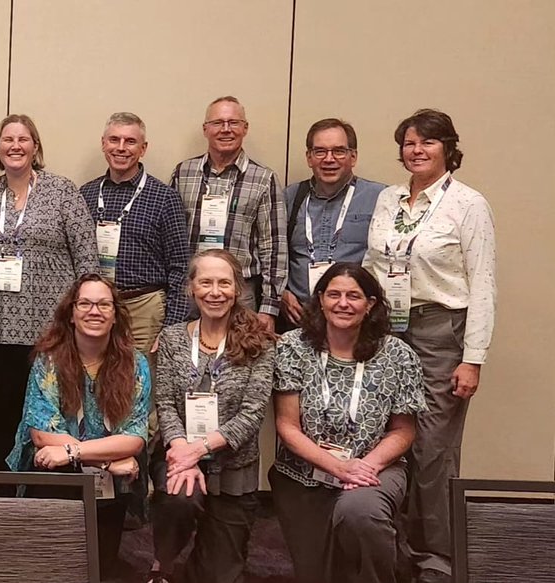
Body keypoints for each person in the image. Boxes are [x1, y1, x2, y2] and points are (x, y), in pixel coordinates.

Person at [363, 109, 496, 583]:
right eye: (409, 143)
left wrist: (472, 359)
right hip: (386, 331)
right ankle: (392, 548)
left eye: (428, 142)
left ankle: (437, 558)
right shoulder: (389, 199)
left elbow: (482, 285)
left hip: (442, 333)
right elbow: (373, 264)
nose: (416, 151)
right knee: (386, 438)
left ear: (448, 148)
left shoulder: (467, 203)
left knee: (433, 450)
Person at [271, 262, 426, 583]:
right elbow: (287, 427)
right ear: (321, 300)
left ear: (370, 305)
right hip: (303, 473)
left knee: (360, 513)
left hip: (375, 470)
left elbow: (403, 430)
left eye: (354, 296)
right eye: (334, 295)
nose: (343, 303)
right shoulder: (292, 347)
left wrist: (363, 467)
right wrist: (339, 467)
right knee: (316, 573)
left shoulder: (398, 355)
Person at [0, 114, 97, 477]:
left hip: (49, 330)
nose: (15, 146)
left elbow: (87, 259)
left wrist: (84, 316)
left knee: (49, 412)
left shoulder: (62, 191)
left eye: (23, 139)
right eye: (7, 140)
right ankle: (3, 490)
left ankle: (45, 489)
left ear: (36, 147)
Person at [147, 249, 276, 583]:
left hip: (234, 467)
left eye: (224, 283)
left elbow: (251, 415)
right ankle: (164, 562)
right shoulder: (174, 338)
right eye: (205, 282)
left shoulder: (258, 342)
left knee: (220, 576)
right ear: (191, 288)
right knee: (180, 500)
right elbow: (164, 403)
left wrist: (198, 449)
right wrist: (182, 451)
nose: (214, 292)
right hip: (178, 460)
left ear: (238, 290)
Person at [8, 274, 150, 574]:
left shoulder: (136, 365)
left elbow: (134, 439)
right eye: (84, 303)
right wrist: (106, 462)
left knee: (99, 569)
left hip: (108, 486)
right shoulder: (48, 361)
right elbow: (42, 434)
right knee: (52, 567)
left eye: (103, 304)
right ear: (71, 314)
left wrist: (73, 452)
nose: (94, 311)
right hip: (57, 475)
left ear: (115, 316)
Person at [170, 96, 287, 333]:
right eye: (218, 123)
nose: (226, 129)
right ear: (206, 129)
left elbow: (273, 246)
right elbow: (171, 237)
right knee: (189, 359)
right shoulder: (184, 173)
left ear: (245, 128)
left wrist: (269, 306)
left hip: (241, 290)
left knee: (241, 358)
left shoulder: (264, 179)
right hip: (192, 288)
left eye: (233, 122)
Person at [79, 112, 191, 350]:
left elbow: (180, 266)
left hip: (144, 307)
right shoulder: (85, 194)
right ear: (103, 143)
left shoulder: (164, 197)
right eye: (114, 140)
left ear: (143, 148)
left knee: (143, 382)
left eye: (130, 141)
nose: (121, 148)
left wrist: (172, 326)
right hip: (95, 306)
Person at [279, 118, 384, 332]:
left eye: (338, 151)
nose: (329, 159)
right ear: (309, 158)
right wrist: (281, 293)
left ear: (353, 156)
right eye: (320, 152)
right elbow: (273, 253)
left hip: (356, 322)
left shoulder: (380, 198)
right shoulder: (289, 197)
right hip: (298, 321)